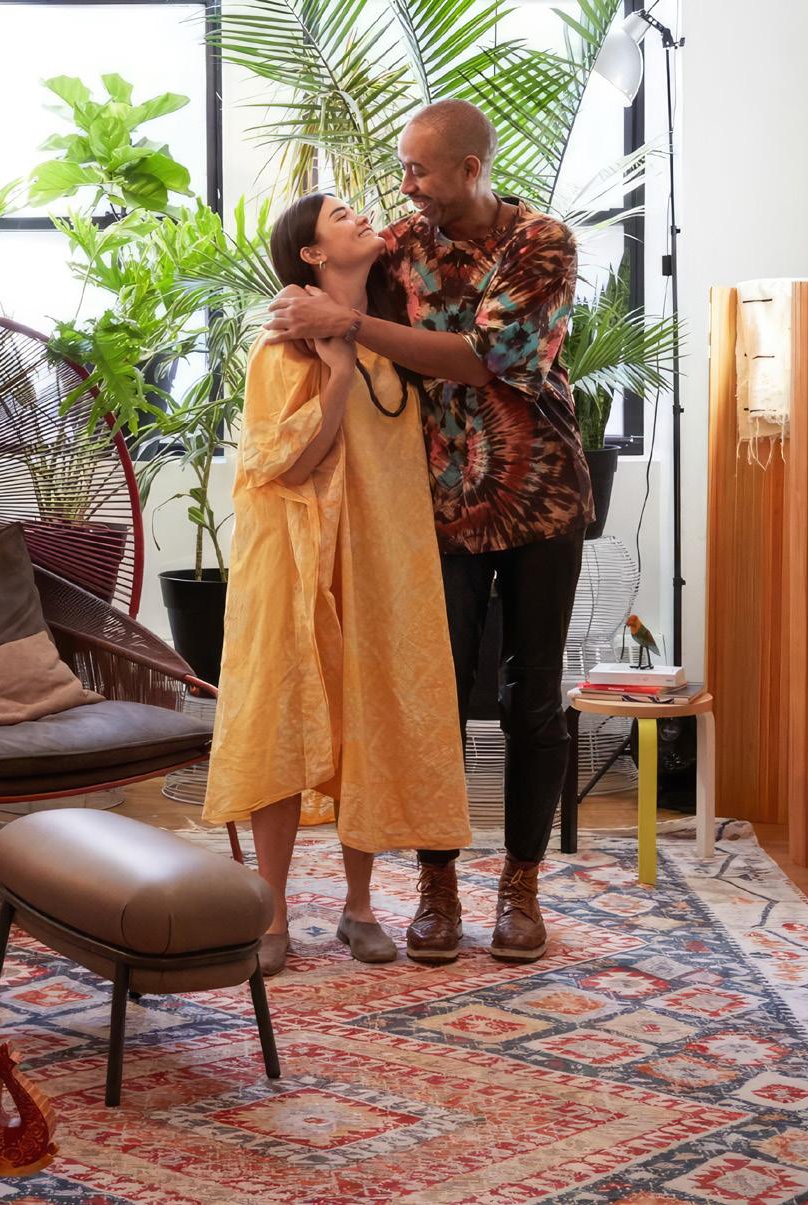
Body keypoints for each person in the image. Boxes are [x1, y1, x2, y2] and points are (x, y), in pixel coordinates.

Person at [265, 100, 591, 964]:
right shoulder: (404, 243)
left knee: (530, 697)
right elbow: (327, 282)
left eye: (418, 170)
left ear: (470, 169)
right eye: (403, 169)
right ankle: (435, 886)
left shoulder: (543, 244)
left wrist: (344, 324)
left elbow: (485, 361)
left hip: (539, 498)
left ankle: (520, 887)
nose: (404, 185)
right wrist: (298, 314)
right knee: (429, 696)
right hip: (433, 508)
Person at [202, 193, 472, 977]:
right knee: (279, 724)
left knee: (368, 721)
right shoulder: (282, 348)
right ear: (312, 254)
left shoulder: (392, 342)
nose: (360, 216)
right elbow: (287, 463)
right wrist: (338, 369)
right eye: (340, 214)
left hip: (380, 564)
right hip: (292, 564)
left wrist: (354, 350)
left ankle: (359, 907)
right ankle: (271, 913)